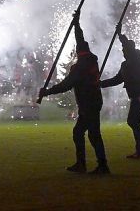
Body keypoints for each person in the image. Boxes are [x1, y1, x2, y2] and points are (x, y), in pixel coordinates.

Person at [38, 11, 110, 175]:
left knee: (93, 135)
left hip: (88, 104)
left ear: (78, 53)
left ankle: (101, 165)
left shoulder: (80, 67)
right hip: (93, 102)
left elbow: (66, 85)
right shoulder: (90, 59)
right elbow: (80, 39)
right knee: (80, 133)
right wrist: (76, 24)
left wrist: (47, 92)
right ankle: (83, 164)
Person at [100, 34, 140, 158]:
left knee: (131, 121)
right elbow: (117, 80)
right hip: (135, 95)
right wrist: (101, 84)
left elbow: (131, 48)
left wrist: (120, 36)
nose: (123, 52)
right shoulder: (125, 65)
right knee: (135, 122)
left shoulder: (138, 59)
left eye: (125, 50)